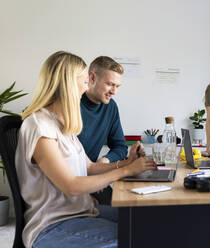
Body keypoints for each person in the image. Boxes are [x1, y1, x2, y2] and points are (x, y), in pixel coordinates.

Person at [15, 51, 156, 248]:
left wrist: (128, 162)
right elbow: (71, 186)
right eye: (83, 82)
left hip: (82, 212)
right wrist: (125, 171)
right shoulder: (39, 126)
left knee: (151, 225)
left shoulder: (61, 124)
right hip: (53, 225)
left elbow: (88, 167)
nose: (85, 88)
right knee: (136, 239)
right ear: (68, 85)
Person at [78, 56, 128, 205]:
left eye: (117, 86)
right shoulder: (71, 105)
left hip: (92, 175)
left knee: (125, 208)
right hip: (73, 182)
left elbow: (120, 147)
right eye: (110, 84)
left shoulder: (110, 107)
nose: (114, 91)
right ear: (92, 78)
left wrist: (105, 161)